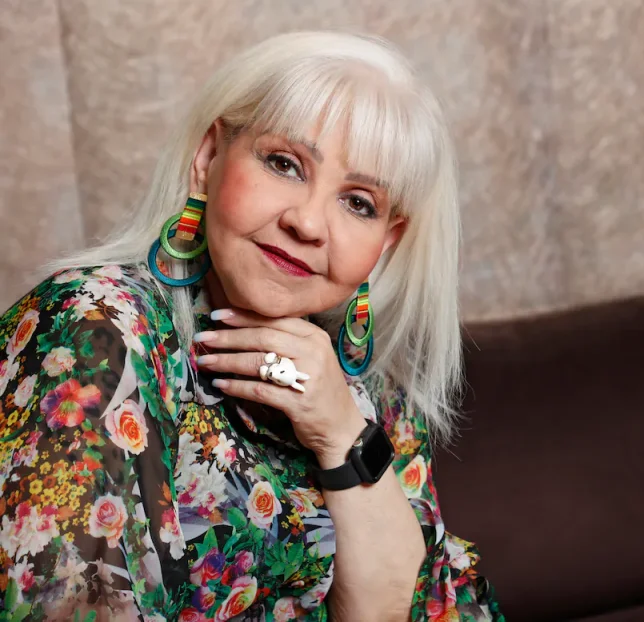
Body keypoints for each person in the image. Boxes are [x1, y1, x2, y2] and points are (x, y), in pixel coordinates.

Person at [0, 31, 502, 621]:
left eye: (358, 203)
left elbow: (405, 611)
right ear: (208, 158)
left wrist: (340, 432)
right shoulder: (94, 330)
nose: (308, 222)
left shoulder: (374, 394)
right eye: (285, 165)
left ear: (385, 242)